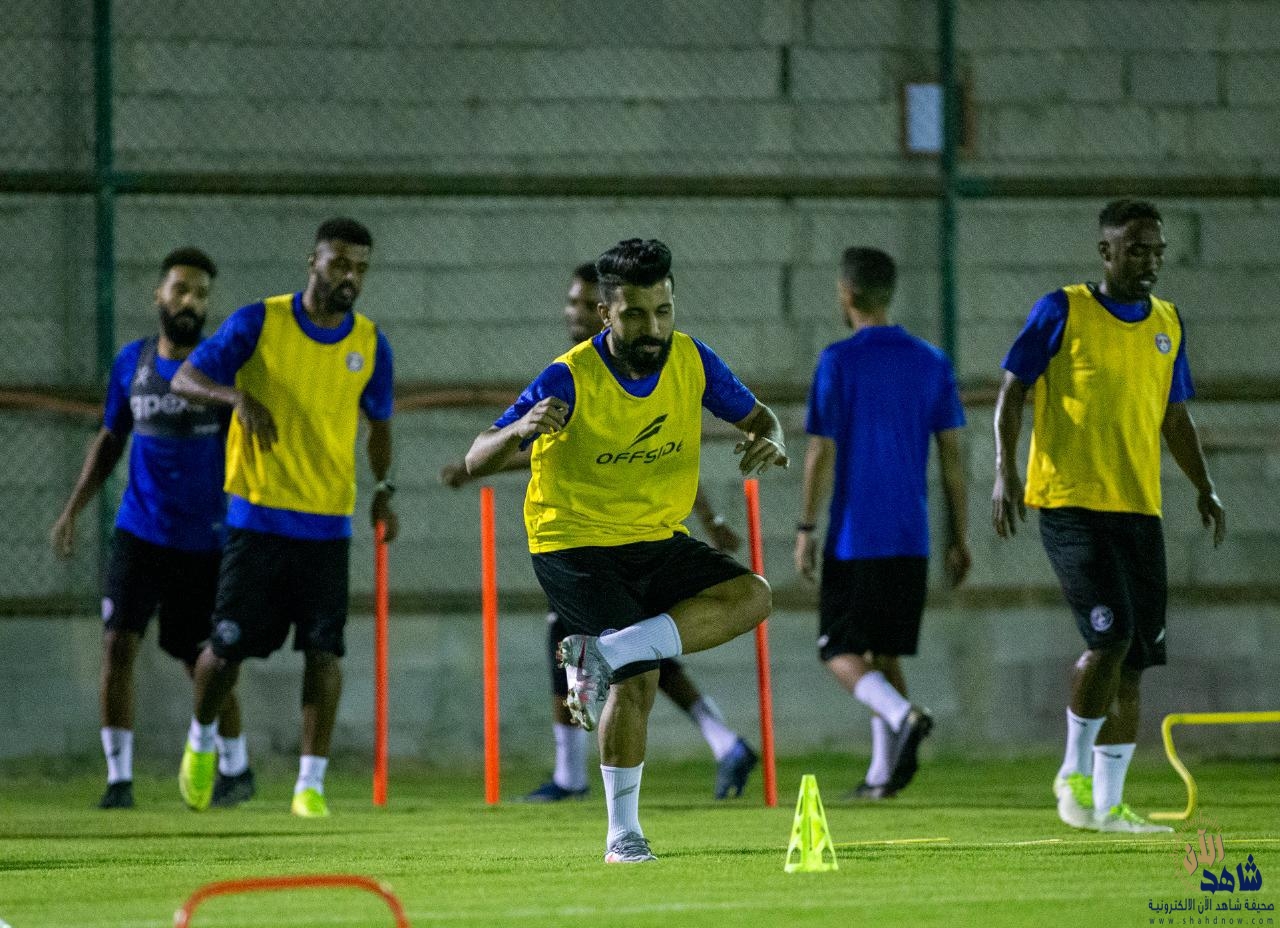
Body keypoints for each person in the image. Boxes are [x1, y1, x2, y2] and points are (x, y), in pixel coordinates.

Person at [464, 239, 787, 862]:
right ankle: (623, 836)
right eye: (636, 314)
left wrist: (772, 438)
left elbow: (762, 417)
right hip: (574, 543)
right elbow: (477, 456)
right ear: (606, 313)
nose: (653, 327)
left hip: (656, 538)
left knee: (754, 596)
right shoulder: (569, 375)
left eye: (663, 311)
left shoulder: (692, 359)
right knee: (638, 680)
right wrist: (520, 429)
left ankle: (605, 653)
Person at [992, 199, 1226, 834]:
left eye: (1157, 251)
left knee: (1134, 660)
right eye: (1136, 250)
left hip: (1138, 509)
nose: (1149, 262)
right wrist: (1006, 469)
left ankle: (1109, 805)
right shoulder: (1062, 310)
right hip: (1071, 502)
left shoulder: (1168, 323)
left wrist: (1204, 485)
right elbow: (1013, 389)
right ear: (1106, 252)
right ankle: (1071, 772)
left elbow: (1174, 415)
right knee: (1110, 636)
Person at [169, 218, 398, 817]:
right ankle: (201, 739)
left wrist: (383, 488)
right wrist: (236, 397)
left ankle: (309, 785)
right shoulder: (259, 322)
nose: (350, 277)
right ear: (312, 260)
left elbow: (379, 425)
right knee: (227, 648)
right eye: (339, 263)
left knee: (324, 653)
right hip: (258, 517)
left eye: (361, 268)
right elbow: (185, 377)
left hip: (328, 523)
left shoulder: (371, 344)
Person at [50, 247, 254, 811]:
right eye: (181, 289)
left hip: (204, 540)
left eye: (201, 294)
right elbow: (109, 440)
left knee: (204, 661)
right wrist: (72, 510)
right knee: (117, 644)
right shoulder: (131, 364)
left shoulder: (220, 371)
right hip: (139, 532)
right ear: (159, 295)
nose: (190, 302)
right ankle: (119, 780)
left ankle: (236, 767)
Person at [794, 247, 969, 801]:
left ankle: (903, 715)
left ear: (846, 293)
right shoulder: (932, 361)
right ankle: (880, 775)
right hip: (911, 536)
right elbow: (953, 459)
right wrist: (959, 537)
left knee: (837, 650)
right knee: (882, 653)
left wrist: (805, 527)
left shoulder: (838, 361)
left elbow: (820, 452)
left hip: (856, 537)